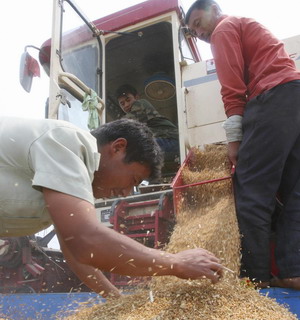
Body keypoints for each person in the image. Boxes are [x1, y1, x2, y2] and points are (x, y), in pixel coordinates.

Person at [0, 116, 223, 298]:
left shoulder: (67, 181)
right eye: (133, 180)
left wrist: (115, 298)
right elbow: (85, 240)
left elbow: (75, 251)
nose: (126, 193)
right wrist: (176, 262)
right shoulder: (67, 141)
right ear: (118, 148)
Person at [185, 0, 300, 289]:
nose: (198, 32)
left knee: (251, 194)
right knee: (294, 193)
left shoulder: (224, 29)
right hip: (294, 95)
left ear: (215, 10)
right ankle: (293, 271)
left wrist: (234, 142)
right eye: (193, 31)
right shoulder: (246, 24)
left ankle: (254, 281)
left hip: (272, 97)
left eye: (199, 23)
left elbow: (232, 90)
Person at [116, 84, 180, 177]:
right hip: (166, 141)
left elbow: (125, 125)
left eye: (128, 100)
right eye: (122, 103)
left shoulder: (141, 103)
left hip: (170, 140)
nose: (126, 105)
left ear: (137, 97)